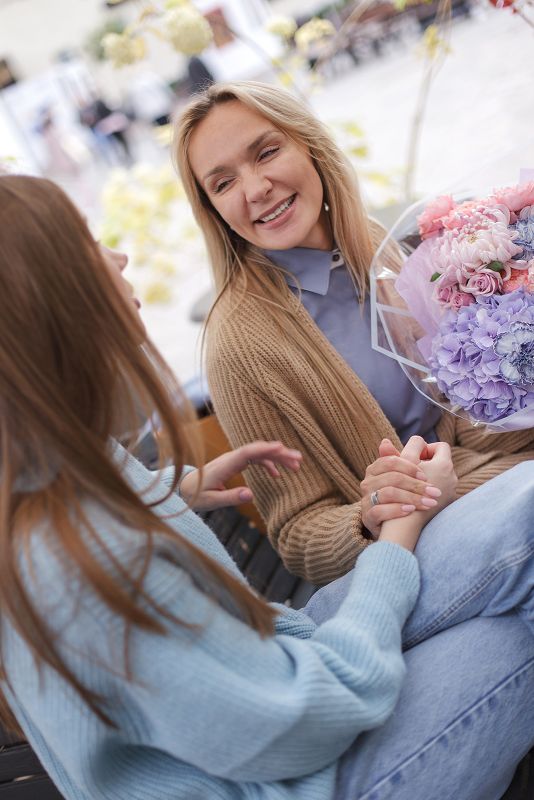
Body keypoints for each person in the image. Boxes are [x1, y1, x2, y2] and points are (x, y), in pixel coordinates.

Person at [0, 173, 532, 800]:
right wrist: (393, 533)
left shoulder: (57, 462)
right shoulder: (81, 560)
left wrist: (169, 496)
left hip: (283, 659)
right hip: (294, 754)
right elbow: (302, 720)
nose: (120, 257)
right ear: (51, 305)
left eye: (269, 150)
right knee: (514, 628)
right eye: (91, 246)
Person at [174, 81, 534, 584]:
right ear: (213, 210)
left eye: (267, 152)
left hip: (491, 476)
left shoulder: (371, 244)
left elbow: (465, 408)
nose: (256, 189)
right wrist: (370, 513)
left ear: (311, 146)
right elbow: (299, 535)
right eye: (223, 183)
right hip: (418, 544)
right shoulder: (239, 347)